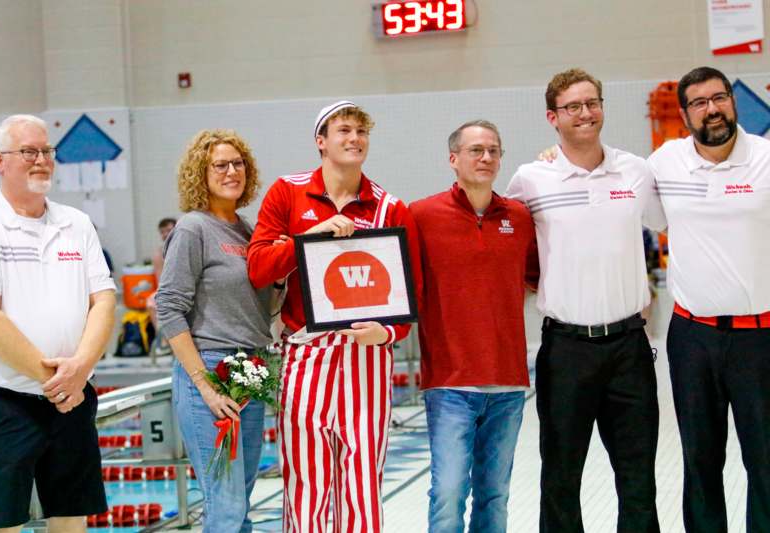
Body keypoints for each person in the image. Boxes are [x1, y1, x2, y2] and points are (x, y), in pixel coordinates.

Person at [247, 101, 421, 533]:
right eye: (344, 130)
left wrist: (387, 332)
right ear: (320, 141)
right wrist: (306, 239)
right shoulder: (287, 193)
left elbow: (410, 293)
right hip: (306, 353)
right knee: (306, 485)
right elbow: (257, 268)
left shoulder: (390, 208)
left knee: (363, 485)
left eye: (361, 131)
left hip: (367, 356)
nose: (354, 138)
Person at [506, 69, 665, 532]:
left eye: (591, 103)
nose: (585, 113)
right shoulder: (532, 178)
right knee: (560, 476)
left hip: (628, 347)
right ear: (553, 117)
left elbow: (673, 221)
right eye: (573, 107)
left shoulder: (635, 171)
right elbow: (505, 244)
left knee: (637, 477)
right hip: (566, 349)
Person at [0, 114, 116, 532]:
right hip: (6, 402)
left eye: (47, 151)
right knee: (4, 523)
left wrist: (81, 369)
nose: (41, 160)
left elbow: (103, 300)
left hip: (71, 398)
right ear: (0, 161)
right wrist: (58, 382)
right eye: (28, 152)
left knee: (71, 520)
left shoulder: (76, 223)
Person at [648, 66, 770, 531]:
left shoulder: (765, 157)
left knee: (765, 462)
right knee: (700, 461)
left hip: (760, 337)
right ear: (684, 114)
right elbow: (612, 179)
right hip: (692, 337)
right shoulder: (665, 163)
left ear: (732, 102)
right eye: (699, 102)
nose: (712, 109)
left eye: (719, 98)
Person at [410, 119, 538, 532]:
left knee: (494, 495)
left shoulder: (518, 217)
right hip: (450, 384)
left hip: (508, 383)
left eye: (494, 150)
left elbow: (536, 276)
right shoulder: (422, 215)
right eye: (476, 150)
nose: (486, 158)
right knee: (447, 492)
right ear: (453, 159)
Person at [155, 130, 272, 532]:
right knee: (224, 504)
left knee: (240, 500)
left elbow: (261, 309)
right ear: (200, 174)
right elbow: (169, 308)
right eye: (219, 165)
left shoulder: (249, 231)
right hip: (210, 369)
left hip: (252, 370)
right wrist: (204, 385)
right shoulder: (192, 229)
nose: (231, 171)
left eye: (238, 163)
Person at [146, 217, 176, 353]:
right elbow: (160, 280)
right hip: (169, 288)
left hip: (188, 288)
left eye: (169, 230)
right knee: (151, 301)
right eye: (162, 232)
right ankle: (165, 340)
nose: (165, 234)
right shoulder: (159, 254)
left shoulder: (185, 245)